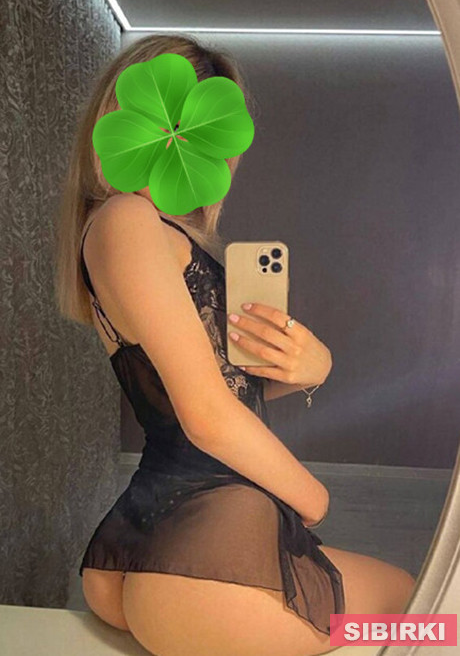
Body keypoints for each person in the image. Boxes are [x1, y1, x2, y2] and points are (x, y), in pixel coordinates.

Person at [55, 34, 416, 656]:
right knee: (422, 612)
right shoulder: (128, 221)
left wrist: (308, 371)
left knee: (406, 608)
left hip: (167, 540)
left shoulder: (140, 229)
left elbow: (210, 387)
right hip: (205, 559)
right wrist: (313, 498)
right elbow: (208, 413)